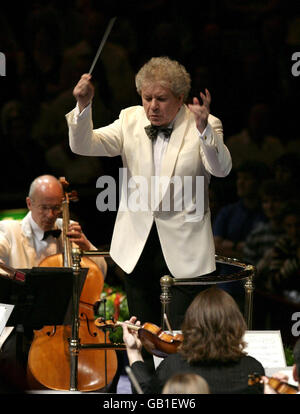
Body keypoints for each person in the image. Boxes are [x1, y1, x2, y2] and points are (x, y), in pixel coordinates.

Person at [66, 56, 232, 343]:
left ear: (180, 98)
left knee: (181, 339)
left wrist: (204, 130)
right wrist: (83, 106)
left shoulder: (205, 123)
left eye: (161, 99)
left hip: (185, 248)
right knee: (144, 333)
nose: (152, 106)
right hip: (138, 246)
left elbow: (221, 169)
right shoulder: (130, 118)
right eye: (147, 98)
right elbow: (83, 144)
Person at [0, 175, 107, 380]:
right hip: (21, 325)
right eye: (44, 208)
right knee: (12, 360)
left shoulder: (68, 226)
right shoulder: (9, 230)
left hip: (65, 321)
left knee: (104, 359)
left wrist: (86, 247)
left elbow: (99, 274)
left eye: (56, 208)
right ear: (29, 203)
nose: (51, 215)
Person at [122, 286, 265, 394]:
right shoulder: (253, 369)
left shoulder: (172, 367)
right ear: (237, 326)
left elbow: (146, 395)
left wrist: (133, 352)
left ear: (190, 324)